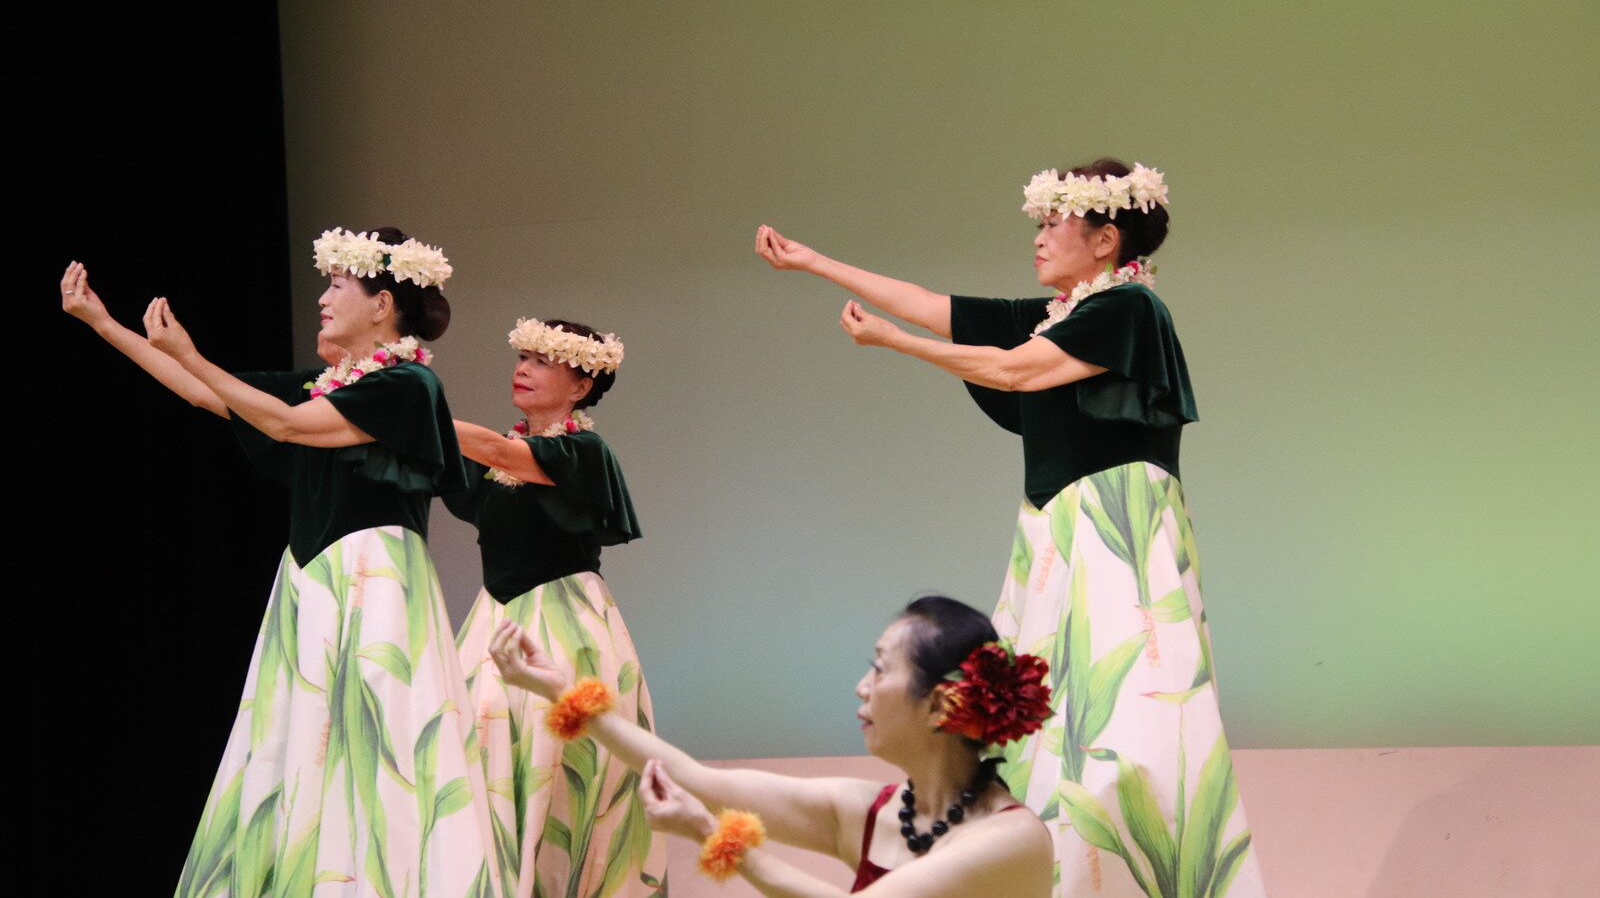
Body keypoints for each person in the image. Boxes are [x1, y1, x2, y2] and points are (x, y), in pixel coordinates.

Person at [755, 161, 1267, 897]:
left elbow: (1015, 372)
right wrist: (814, 262)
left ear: (1106, 240)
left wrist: (897, 343)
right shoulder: (1063, 313)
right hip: (1055, 528)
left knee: (1129, 712)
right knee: (1046, 717)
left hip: (1114, 523)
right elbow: (931, 306)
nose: (1039, 237)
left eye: (1054, 222)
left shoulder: (1128, 308)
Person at [62, 227, 496, 898]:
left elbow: (285, 424)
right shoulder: (325, 386)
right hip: (311, 580)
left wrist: (194, 354)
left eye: (337, 285)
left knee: (378, 742)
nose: (323, 298)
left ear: (383, 304)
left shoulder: (409, 384)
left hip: (374, 583)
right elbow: (209, 394)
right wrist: (104, 324)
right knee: (300, 745)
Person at [490, 594, 1054, 897]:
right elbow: (700, 782)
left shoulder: (1010, 839)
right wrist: (561, 692)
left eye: (881, 669)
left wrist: (713, 835)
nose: (862, 687)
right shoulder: (870, 812)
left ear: (939, 706)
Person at [446, 318, 666, 897]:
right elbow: (475, 457)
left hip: (563, 624)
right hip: (496, 620)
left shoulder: (582, 451)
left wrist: (409, 405)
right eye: (522, 357)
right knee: (483, 763)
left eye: (542, 361)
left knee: (561, 768)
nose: (522, 369)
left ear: (581, 386)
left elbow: (499, 451)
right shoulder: (502, 452)